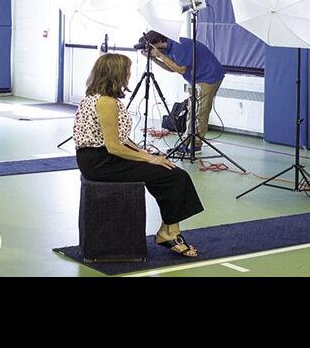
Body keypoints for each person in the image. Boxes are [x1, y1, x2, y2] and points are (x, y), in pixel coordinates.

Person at [73, 53, 205, 257]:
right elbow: (114, 147)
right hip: (100, 162)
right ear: (116, 74)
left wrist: (145, 153)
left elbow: (121, 139)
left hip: (99, 158)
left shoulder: (96, 97)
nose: (129, 75)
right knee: (175, 175)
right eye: (126, 71)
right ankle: (170, 233)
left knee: (167, 171)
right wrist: (150, 158)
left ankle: (169, 230)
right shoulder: (106, 102)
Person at [141, 30, 225, 153]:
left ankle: (196, 146)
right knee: (192, 110)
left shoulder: (179, 46)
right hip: (196, 78)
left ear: (158, 41)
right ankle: (186, 142)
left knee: (200, 111)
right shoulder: (168, 48)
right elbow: (172, 68)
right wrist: (154, 59)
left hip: (208, 77)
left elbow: (180, 69)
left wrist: (160, 56)